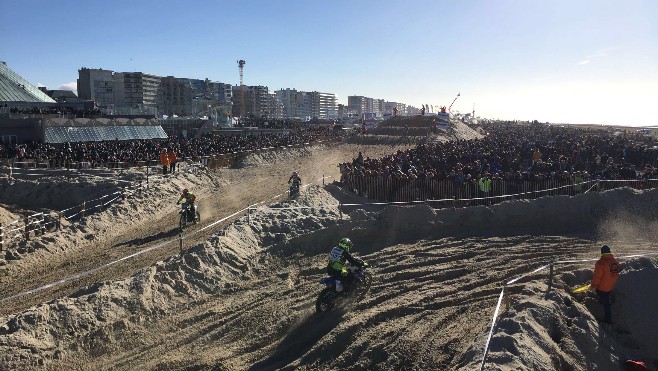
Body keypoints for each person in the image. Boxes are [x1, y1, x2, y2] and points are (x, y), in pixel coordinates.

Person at [591, 245, 621, 324]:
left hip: (603, 288)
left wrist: (594, 286)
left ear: (602, 253)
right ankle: (605, 299)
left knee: (606, 304)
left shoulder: (601, 263)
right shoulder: (615, 262)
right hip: (610, 286)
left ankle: (608, 320)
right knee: (606, 296)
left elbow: (597, 277)